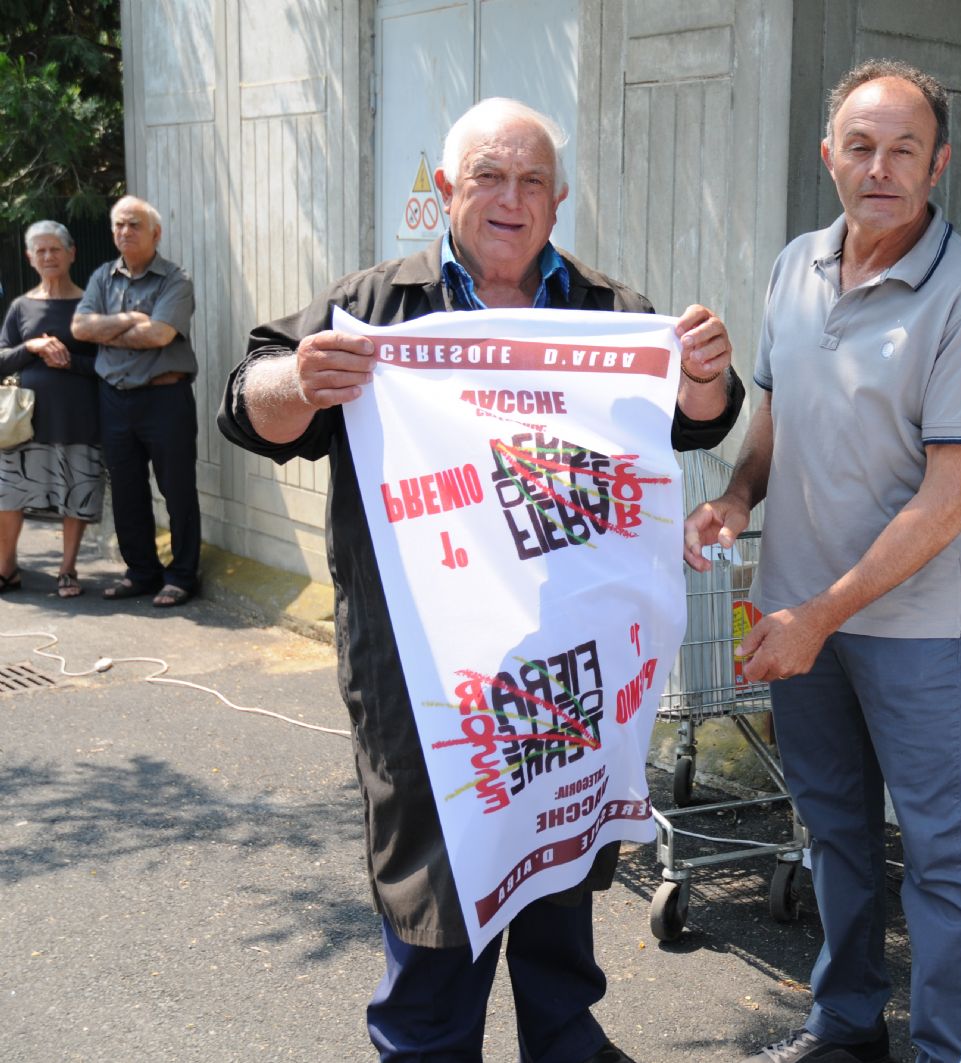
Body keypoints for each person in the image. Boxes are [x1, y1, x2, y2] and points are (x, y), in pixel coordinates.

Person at [219, 98, 742, 1063]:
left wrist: (704, 375)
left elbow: (696, 419)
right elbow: (248, 404)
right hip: (432, 689)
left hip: (568, 674)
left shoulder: (609, 314)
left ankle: (565, 1043)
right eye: (488, 177)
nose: (511, 198)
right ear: (444, 190)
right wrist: (300, 380)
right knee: (436, 911)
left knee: (560, 889)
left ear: (558, 200)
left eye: (532, 180)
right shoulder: (378, 308)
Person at [686, 60, 961, 1063]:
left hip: (909, 630)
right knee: (833, 831)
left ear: (938, 163)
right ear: (828, 153)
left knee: (941, 852)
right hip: (797, 617)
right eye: (861, 146)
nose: (881, 168)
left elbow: (949, 497)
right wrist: (735, 497)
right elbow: (774, 418)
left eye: (904, 149)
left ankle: (947, 1047)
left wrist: (820, 614)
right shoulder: (796, 265)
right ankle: (846, 1025)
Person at [71, 196, 201, 608]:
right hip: (114, 398)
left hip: (165, 398)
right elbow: (79, 328)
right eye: (119, 225)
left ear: (155, 233)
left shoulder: (175, 279)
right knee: (126, 489)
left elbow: (160, 334)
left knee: (177, 489)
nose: (125, 232)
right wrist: (130, 320)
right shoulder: (102, 277)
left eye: (134, 225)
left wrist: (105, 330)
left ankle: (182, 576)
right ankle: (141, 572)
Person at [0, 221, 104, 597]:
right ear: (30, 258)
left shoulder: (91, 306)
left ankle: (67, 569)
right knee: (9, 495)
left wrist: (70, 361)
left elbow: (109, 364)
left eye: (55, 249)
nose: (48, 256)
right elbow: (2, 359)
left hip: (79, 417)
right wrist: (32, 347)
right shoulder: (21, 307)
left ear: (71, 253)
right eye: (40, 251)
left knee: (77, 494)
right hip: (25, 422)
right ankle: (6, 567)